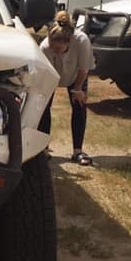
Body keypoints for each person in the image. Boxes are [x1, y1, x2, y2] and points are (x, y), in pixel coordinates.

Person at [38, 11, 95, 165]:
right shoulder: (44, 47)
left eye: (58, 49)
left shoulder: (82, 41)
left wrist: (78, 90)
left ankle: (78, 151)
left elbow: (84, 69)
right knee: (43, 109)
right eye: (52, 47)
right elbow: (45, 74)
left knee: (79, 106)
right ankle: (43, 148)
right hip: (51, 75)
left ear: (69, 42)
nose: (54, 50)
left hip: (75, 74)